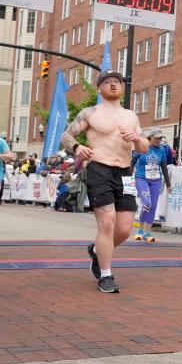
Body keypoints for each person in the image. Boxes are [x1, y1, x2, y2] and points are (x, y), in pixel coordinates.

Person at [60, 70, 148, 294]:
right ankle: (106, 275)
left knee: (125, 229)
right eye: (107, 82)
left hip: (125, 172)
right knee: (107, 223)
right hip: (99, 169)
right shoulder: (91, 112)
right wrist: (78, 148)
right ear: (99, 89)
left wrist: (137, 138)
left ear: (122, 88)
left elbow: (144, 147)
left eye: (117, 82)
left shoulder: (131, 116)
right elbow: (66, 136)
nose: (113, 85)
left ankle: (97, 251)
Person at [132, 128, 174, 242]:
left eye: (160, 138)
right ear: (150, 137)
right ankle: (140, 230)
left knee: (153, 206)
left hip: (156, 180)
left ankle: (147, 232)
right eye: (157, 138)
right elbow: (132, 162)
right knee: (147, 203)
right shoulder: (142, 146)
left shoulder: (162, 150)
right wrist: (128, 177)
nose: (159, 140)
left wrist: (169, 184)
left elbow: (164, 168)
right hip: (141, 178)